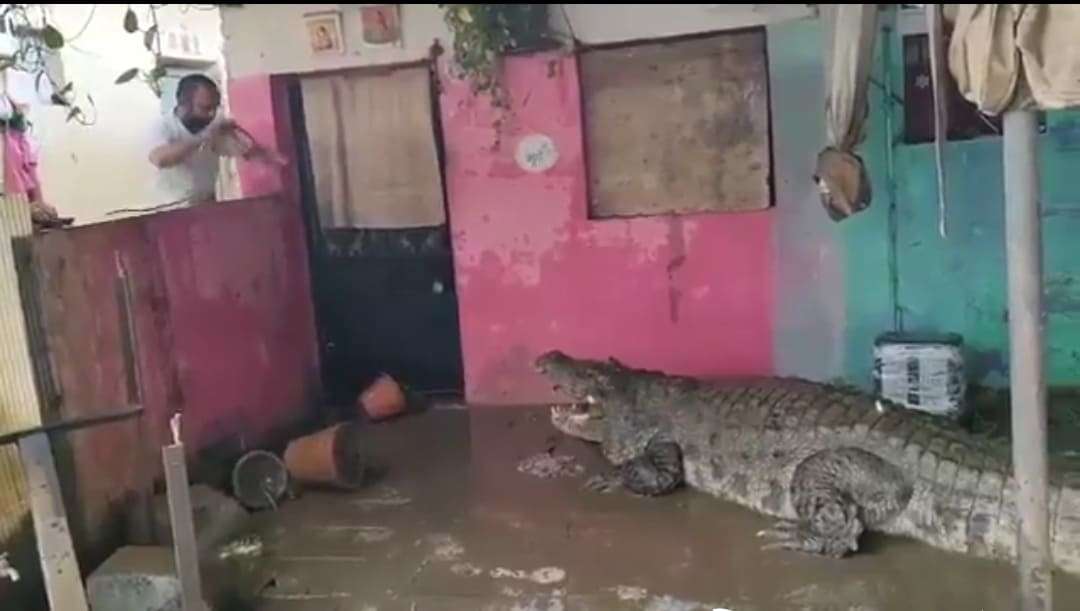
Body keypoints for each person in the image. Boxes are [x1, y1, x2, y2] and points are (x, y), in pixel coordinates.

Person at [147, 74, 286, 208]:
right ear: (184, 104)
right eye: (205, 108)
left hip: (206, 202)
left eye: (215, 107)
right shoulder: (162, 126)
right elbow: (160, 159)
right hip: (172, 208)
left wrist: (276, 159)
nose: (212, 114)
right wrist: (206, 135)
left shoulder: (212, 126)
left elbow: (247, 151)